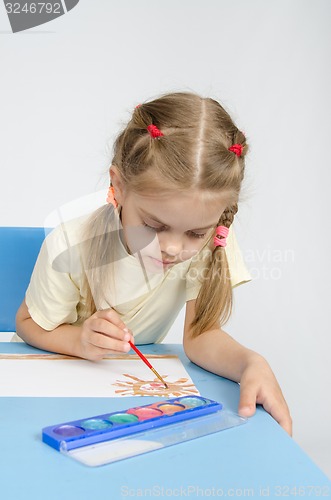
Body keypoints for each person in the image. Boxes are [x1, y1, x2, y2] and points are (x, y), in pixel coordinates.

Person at [15, 92, 292, 435]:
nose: (173, 248)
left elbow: (200, 337)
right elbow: (27, 322)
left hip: (127, 405)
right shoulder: (70, 244)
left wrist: (252, 363)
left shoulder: (213, 241)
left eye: (194, 232)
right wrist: (78, 341)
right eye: (154, 226)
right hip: (48, 398)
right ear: (118, 186)